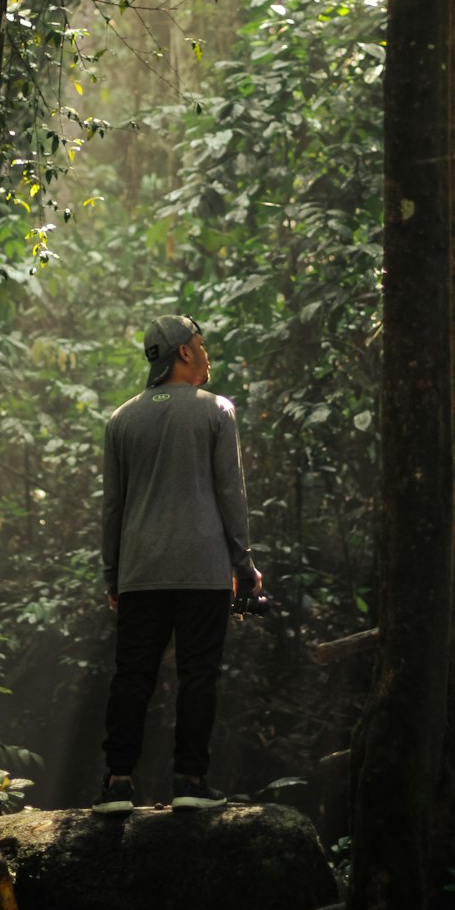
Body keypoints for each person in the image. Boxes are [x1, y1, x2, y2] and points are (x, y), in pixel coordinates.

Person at [93, 314, 263, 815]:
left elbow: (113, 508)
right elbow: (231, 495)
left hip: (140, 572)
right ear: (184, 352)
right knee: (198, 675)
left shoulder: (122, 420)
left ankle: (118, 783)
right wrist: (245, 563)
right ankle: (190, 781)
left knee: (132, 676)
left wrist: (112, 575)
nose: (206, 351)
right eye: (201, 342)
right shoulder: (217, 411)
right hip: (204, 570)